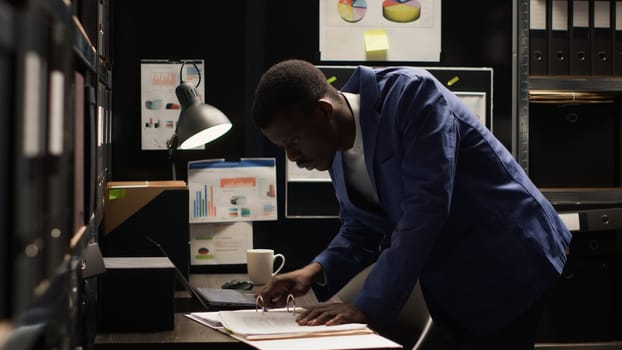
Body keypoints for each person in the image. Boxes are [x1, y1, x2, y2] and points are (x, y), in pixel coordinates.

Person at [250, 59, 572, 349]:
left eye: (293, 141)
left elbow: (425, 210)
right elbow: (361, 226)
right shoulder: (334, 150)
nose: (291, 157)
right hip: (453, 275)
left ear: (324, 111)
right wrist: (314, 271)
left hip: (508, 256)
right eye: (282, 147)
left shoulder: (413, 95)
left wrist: (367, 307)